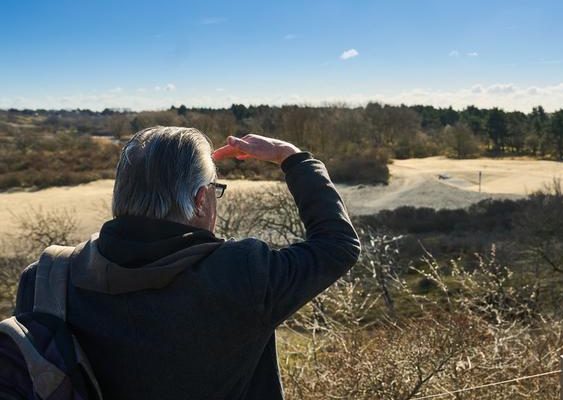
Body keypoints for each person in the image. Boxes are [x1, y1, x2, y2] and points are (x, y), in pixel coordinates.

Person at [14, 127, 361, 399]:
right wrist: (292, 157)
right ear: (199, 200)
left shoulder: (46, 280)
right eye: (214, 189)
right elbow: (337, 244)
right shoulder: (244, 273)